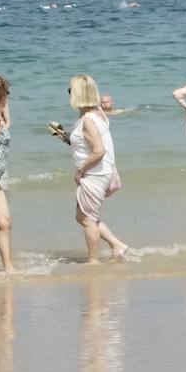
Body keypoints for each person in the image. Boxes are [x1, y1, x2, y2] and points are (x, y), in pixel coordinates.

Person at [64, 75, 128, 264]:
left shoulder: (88, 120)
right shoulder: (97, 112)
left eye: (71, 91)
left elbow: (99, 151)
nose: (69, 94)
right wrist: (67, 137)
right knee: (82, 216)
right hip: (102, 171)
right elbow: (88, 143)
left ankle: (94, 261)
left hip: (94, 174)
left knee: (87, 220)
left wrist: (80, 170)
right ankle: (117, 245)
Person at [0, 75, 12, 273]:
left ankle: (9, 269)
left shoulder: (2, 113)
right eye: (5, 93)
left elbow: (8, 124)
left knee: (5, 222)